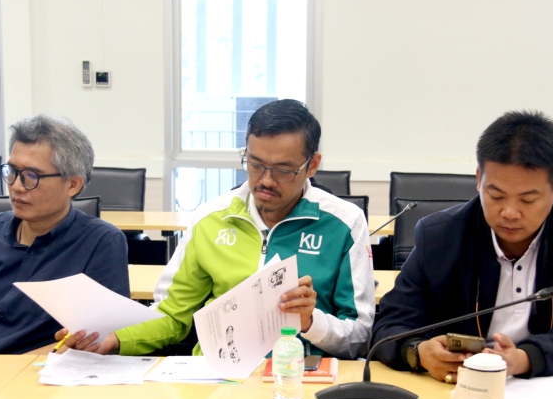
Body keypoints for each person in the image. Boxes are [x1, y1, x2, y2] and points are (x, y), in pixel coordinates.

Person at [62, 99, 375, 358]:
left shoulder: (344, 223)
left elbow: (360, 336)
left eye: (283, 170)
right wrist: (114, 338)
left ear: (313, 165)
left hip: (299, 379)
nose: (265, 180)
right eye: (255, 164)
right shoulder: (211, 218)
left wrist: (310, 322)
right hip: (218, 379)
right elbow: (172, 316)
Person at [372, 110, 553, 382]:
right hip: (457, 387)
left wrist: (521, 360)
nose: (510, 212)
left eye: (527, 200)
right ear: (479, 179)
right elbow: (391, 324)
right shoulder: (440, 236)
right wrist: (418, 352)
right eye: (496, 196)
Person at [0, 115, 130, 354]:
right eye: (12, 171)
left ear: (72, 184)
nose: (16, 186)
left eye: (32, 176)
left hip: (35, 370)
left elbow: (97, 338)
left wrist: (8, 369)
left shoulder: (100, 242)